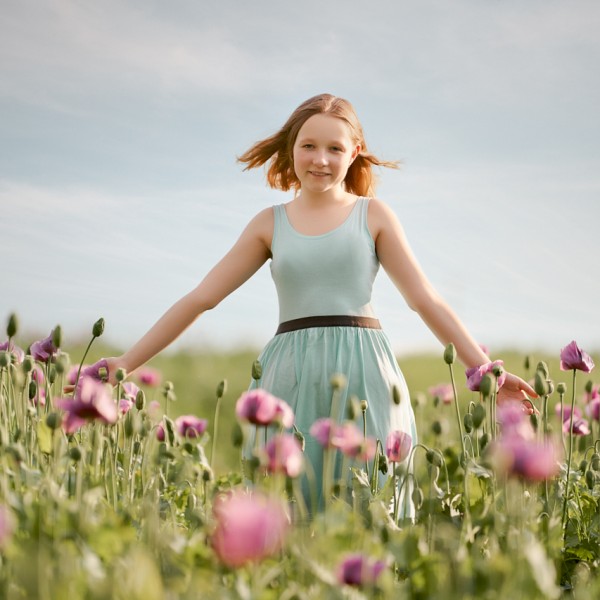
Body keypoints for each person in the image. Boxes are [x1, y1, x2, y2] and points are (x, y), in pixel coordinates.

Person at [102, 93, 536, 514]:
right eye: (308, 145)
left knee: (373, 505)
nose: (320, 159)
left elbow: (424, 298)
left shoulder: (374, 215)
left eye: (334, 147)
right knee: (285, 506)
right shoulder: (268, 224)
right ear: (292, 148)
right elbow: (202, 298)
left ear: (354, 153)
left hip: (367, 374)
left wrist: (486, 370)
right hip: (287, 375)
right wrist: (126, 363)